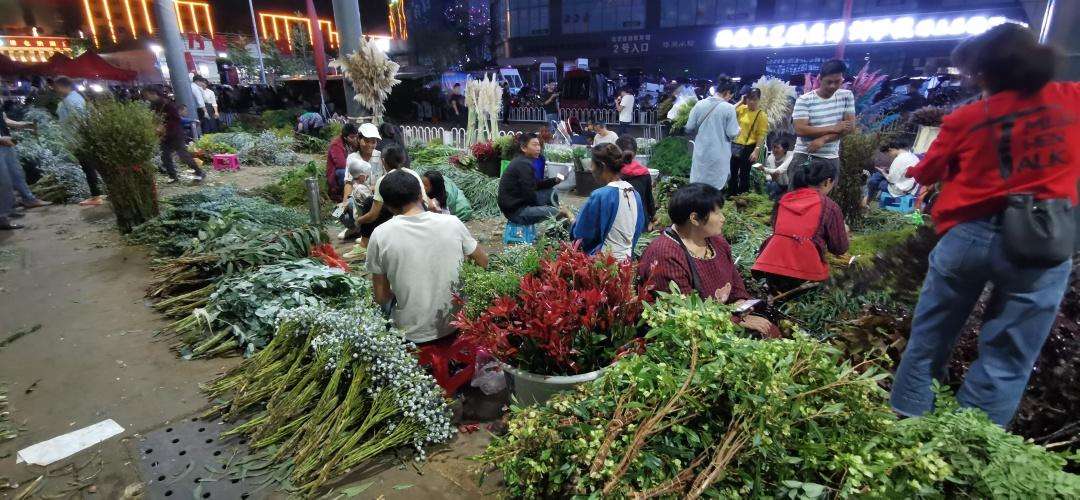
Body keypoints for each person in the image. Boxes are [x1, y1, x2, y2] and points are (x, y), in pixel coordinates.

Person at [890, 23, 1080, 427]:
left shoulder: (969, 118)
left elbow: (925, 174)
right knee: (1008, 353)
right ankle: (971, 443)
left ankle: (907, 424)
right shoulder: (1073, 100)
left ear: (984, 71)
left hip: (969, 235)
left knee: (930, 336)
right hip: (1041, 237)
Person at [367, 169, 489, 344]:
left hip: (411, 334)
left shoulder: (380, 234)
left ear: (387, 206)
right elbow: (483, 261)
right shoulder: (452, 222)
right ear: (420, 195)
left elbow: (381, 296)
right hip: (456, 324)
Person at [637, 183, 775, 336]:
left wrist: (741, 305)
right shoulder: (666, 254)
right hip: (693, 334)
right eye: (717, 213)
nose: (723, 218)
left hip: (722, 321)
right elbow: (685, 315)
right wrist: (735, 320)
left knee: (770, 330)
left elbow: (736, 287)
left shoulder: (717, 243)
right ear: (694, 218)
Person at [751, 157, 849, 293]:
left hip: (771, 267)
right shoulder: (829, 206)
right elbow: (839, 248)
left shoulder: (783, 199)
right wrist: (844, 231)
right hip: (806, 272)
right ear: (828, 181)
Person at [571, 143, 646, 260]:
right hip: (626, 264)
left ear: (602, 166)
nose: (591, 169)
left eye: (592, 164)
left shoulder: (601, 195)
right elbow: (637, 230)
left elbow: (582, 234)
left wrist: (570, 217)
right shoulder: (634, 194)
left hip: (603, 265)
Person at [352, 145, 428, 248]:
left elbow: (373, 215)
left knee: (370, 202)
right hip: (422, 211)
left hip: (403, 216)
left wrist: (358, 221)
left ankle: (364, 243)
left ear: (383, 161)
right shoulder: (413, 173)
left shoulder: (385, 179)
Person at [792, 59, 856, 181]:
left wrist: (823, 139)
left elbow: (850, 127)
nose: (833, 86)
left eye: (837, 82)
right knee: (797, 196)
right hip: (804, 155)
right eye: (829, 82)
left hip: (830, 157)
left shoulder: (846, 96)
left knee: (824, 199)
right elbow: (800, 130)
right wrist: (833, 128)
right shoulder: (805, 100)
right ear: (820, 79)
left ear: (842, 79)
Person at [685, 76, 740, 191]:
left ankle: (697, 209)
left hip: (701, 154)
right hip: (718, 156)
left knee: (698, 188)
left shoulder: (699, 104)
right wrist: (738, 129)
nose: (730, 98)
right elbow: (732, 133)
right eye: (731, 95)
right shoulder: (729, 108)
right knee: (714, 190)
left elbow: (689, 127)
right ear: (727, 92)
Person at [498, 133, 567, 225]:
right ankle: (555, 226)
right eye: (534, 145)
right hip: (516, 211)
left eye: (539, 145)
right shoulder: (523, 164)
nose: (538, 148)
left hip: (520, 202)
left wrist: (556, 180)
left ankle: (553, 222)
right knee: (556, 211)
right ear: (523, 148)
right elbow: (529, 194)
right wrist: (545, 208)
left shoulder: (524, 161)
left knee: (550, 193)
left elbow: (536, 185)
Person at [53, 77, 101, 206]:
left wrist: (76, 140)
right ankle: (97, 194)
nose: (55, 89)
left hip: (80, 140)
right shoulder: (68, 100)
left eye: (56, 87)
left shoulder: (72, 100)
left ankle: (96, 196)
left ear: (64, 86)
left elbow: (81, 121)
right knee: (90, 167)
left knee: (89, 167)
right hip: (77, 140)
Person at [143, 86, 204, 183]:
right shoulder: (153, 105)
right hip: (164, 135)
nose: (147, 98)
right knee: (165, 156)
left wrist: (164, 127)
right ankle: (173, 176)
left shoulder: (168, 104)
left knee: (183, 155)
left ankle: (199, 172)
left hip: (175, 134)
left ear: (153, 93)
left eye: (147, 95)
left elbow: (176, 119)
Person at [729, 88, 769, 195]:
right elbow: (728, 111)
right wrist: (741, 102)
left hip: (748, 148)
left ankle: (743, 199)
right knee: (732, 173)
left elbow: (761, 135)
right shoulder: (742, 109)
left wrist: (756, 150)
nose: (751, 102)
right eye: (750, 99)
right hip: (736, 146)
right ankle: (731, 196)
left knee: (744, 175)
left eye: (755, 99)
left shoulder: (761, 115)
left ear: (759, 100)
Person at [615, 135, 656, 224]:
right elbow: (649, 198)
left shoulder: (613, 172)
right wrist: (652, 217)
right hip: (641, 221)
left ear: (617, 152)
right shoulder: (644, 172)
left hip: (619, 223)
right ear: (635, 152)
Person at [865, 140, 919, 205]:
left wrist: (883, 172)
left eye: (889, 152)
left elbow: (891, 180)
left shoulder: (899, 159)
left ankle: (870, 201)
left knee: (874, 182)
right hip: (910, 186)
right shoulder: (914, 157)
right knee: (877, 176)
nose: (890, 155)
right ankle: (870, 199)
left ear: (891, 149)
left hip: (900, 189)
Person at [336, 155, 374, 241]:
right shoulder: (361, 188)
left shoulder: (355, 184)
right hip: (363, 213)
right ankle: (363, 232)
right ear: (361, 176)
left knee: (342, 208)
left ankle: (355, 228)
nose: (368, 176)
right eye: (367, 175)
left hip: (358, 209)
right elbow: (370, 201)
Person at [326, 122, 360, 202]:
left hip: (351, 167)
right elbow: (341, 164)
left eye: (356, 136)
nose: (355, 139)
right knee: (343, 172)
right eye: (352, 137)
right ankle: (344, 193)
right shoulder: (336, 145)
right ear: (345, 137)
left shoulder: (352, 142)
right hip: (335, 174)